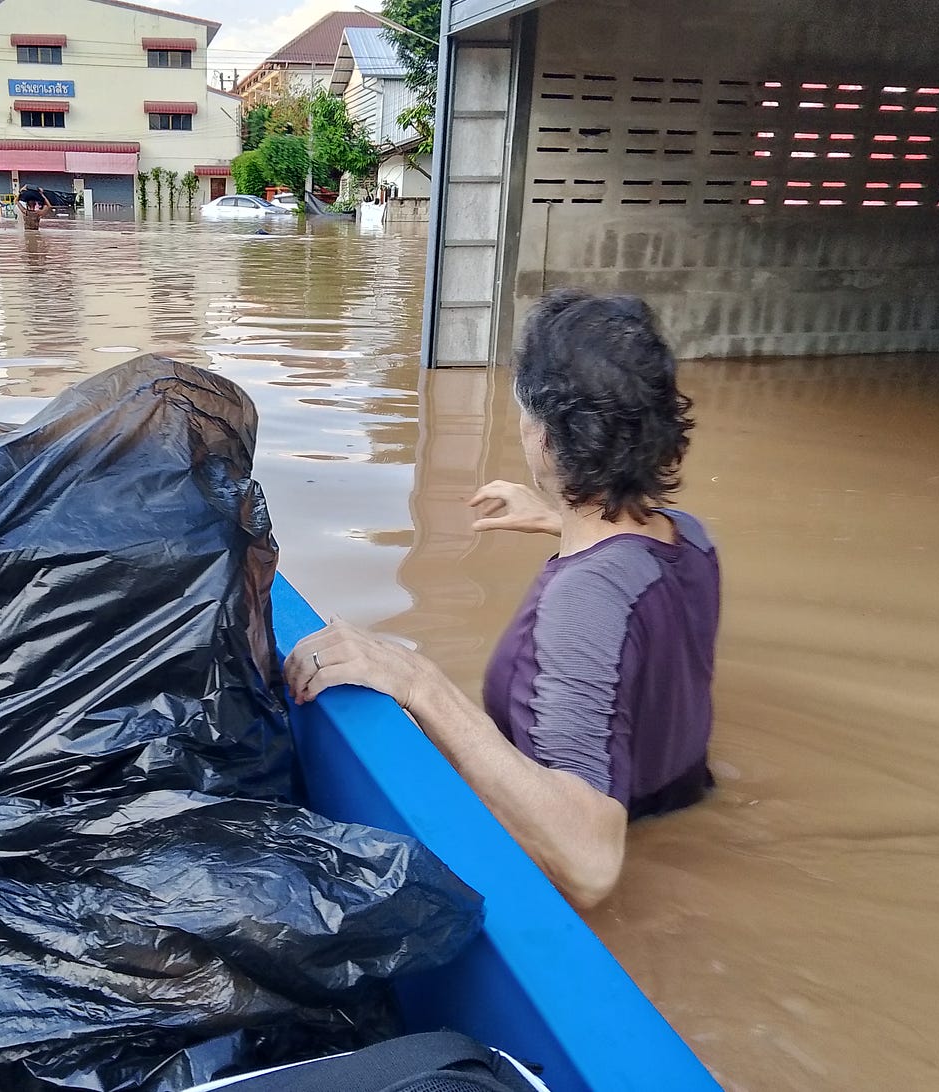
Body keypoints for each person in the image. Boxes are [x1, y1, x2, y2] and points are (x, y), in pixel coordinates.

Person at [284, 289, 719, 909]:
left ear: (544, 437)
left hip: (585, 905)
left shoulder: (580, 600)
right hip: (685, 831)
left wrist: (420, 683)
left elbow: (589, 864)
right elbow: (632, 564)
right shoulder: (693, 539)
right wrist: (558, 518)